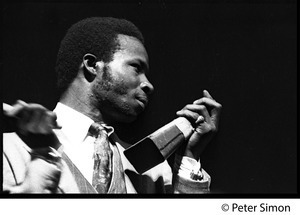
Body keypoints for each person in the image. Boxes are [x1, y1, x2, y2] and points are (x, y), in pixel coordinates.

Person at [2, 17, 222, 193]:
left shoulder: (153, 171)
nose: (149, 85)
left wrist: (190, 158)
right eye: (136, 67)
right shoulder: (10, 149)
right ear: (91, 65)